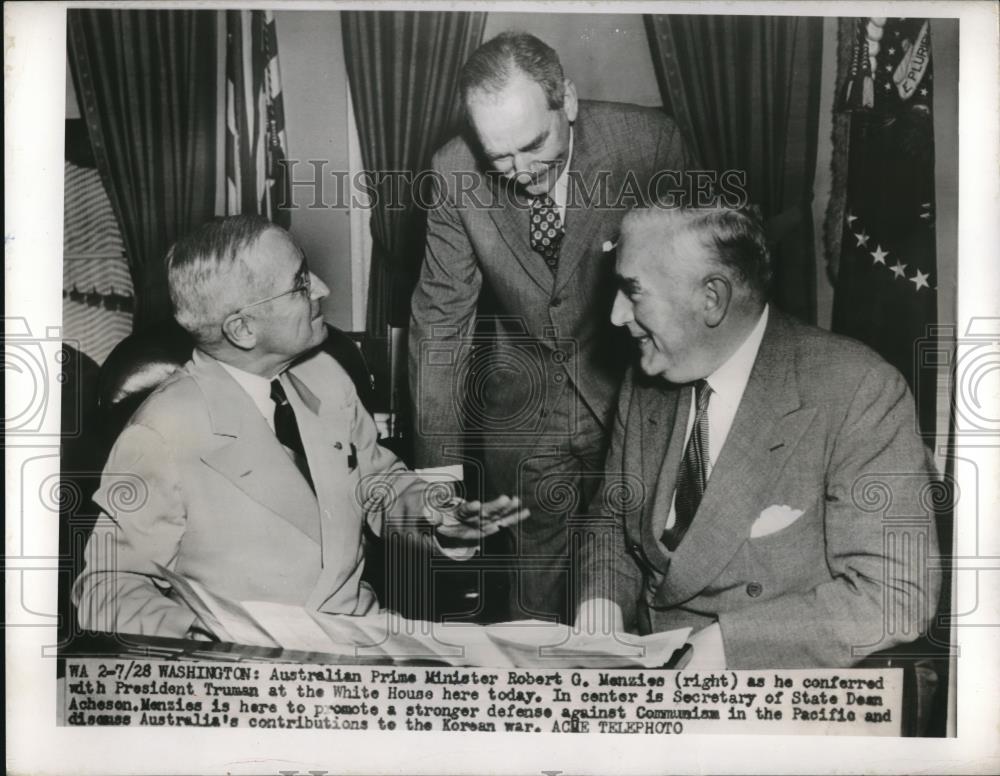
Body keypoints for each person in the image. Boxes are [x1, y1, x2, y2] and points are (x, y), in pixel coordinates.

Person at [73, 215, 526, 638]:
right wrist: (200, 636)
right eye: (300, 284)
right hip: (252, 665)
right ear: (242, 329)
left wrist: (439, 515)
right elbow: (107, 588)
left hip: (362, 641)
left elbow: (380, 485)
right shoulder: (162, 434)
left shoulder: (326, 377)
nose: (323, 289)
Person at [575, 205, 940, 668]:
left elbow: (893, 596)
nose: (614, 315)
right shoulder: (648, 374)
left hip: (769, 687)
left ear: (712, 298)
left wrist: (728, 647)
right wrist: (601, 608)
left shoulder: (858, 391)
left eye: (633, 292)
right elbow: (613, 515)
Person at [409, 31, 695, 622]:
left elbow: (695, 287)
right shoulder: (455, 171)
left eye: (533, 145)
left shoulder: (649, 144)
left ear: (566, 98)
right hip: (527, 414)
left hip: (634, 396)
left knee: (641, 590)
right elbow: (441, 321)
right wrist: (439, 483)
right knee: (531, 614)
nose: (520, 171)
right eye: (499, 157)